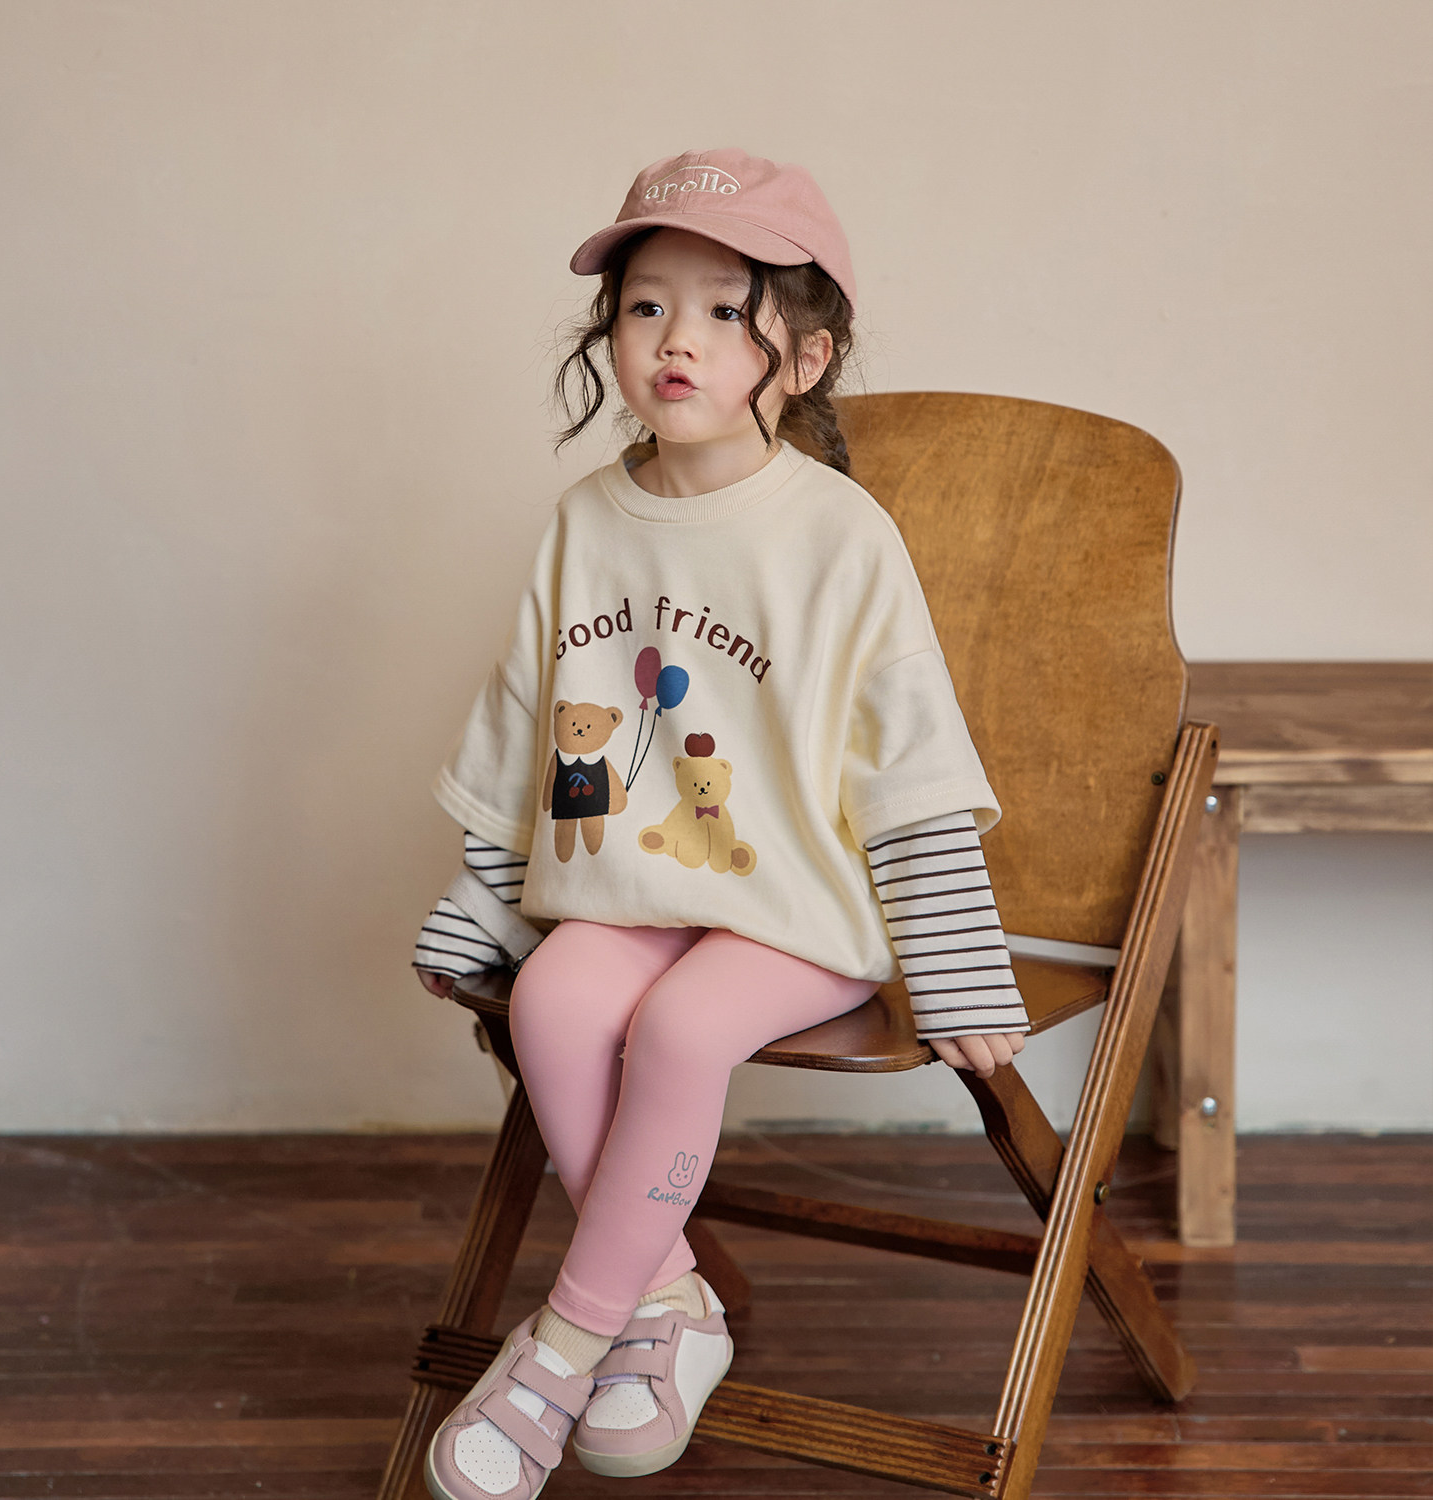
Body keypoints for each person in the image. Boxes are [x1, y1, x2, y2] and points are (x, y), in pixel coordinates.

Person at [413, 148, 1031, 1500]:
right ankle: (669, 1301)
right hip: (629, 890)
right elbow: (530, 721)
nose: (674, 339)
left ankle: (561, 1349)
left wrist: (955, 959)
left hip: (797, 906)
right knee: (554, 1001)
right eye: (645, 306)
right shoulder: (585, 520)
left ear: (801, 358)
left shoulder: (839, 535)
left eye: (721, 311)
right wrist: (489, 896)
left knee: (683, 1029)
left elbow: (909, 756)